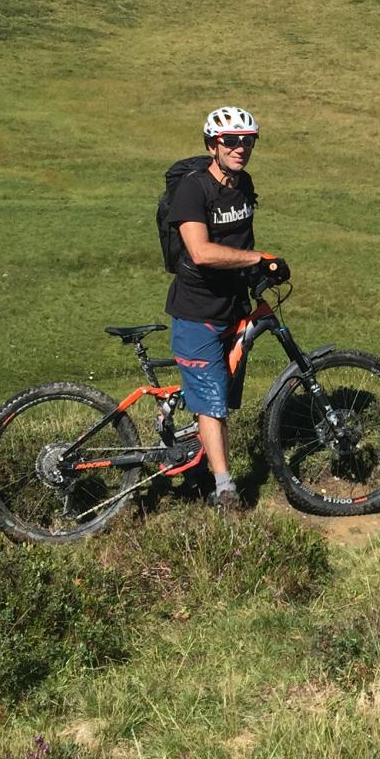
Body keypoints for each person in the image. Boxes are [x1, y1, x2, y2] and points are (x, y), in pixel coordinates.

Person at [164, 106, 284, 512]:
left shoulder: (243, 184)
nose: (240, 148)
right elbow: (199, 251)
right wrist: (255, 259)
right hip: (197, 312)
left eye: (247, 140)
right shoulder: (192, 190)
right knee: (211, 404)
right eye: (230, 141)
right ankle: (225, 488)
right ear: (213, 144)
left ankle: (196, 459)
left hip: (233, 308)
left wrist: (259, 273)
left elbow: (242, 239)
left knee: (221, 397)